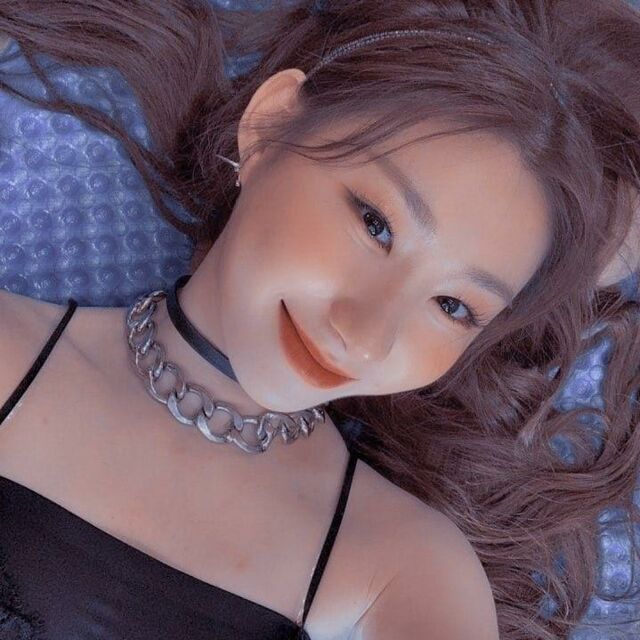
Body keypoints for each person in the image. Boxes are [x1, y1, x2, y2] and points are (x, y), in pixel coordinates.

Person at [0, 1, 639, 639]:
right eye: (376, 226)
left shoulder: (401, 568)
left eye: (453, 307)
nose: (364, 337)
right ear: (269, 125)